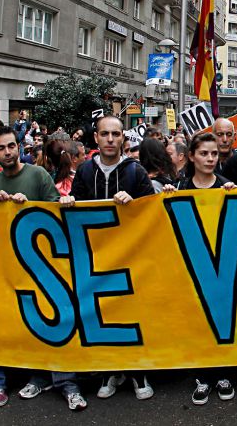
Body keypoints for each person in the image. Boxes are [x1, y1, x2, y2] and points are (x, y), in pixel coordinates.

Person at [0, 127, 83, 410]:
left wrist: (34, 206)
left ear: (18, 147)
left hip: (45, 266)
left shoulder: (38, 175)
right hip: (12, 269)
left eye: (11, 146)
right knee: (30, 325)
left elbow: (54, 213)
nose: (7, 152)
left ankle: (67, 383)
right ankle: (38, 377)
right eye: (1, 148)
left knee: (56, 324)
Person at [60, 116, 154, 404]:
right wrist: (68, 202)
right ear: (96, 138)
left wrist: (134, 203)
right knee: (102, 315)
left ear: (123, 138)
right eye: (105, 134)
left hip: (129, 256)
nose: (110, 139)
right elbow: (76, 203)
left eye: (115, 134)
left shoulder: (136, 171)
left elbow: (153, 211)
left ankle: (137, 372)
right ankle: (109, 371)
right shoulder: (85, 170)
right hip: (95, 256)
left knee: (130, 315)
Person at [159, 132, 237, 405]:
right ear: (191, 156)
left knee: (222, 320)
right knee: (198, 322)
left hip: (221, 265)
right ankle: (203, 377)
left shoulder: (227, 186)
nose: (210, 158)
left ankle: (223, 374)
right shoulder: (179, 188)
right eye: (204, 153)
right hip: (191, 265)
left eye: (214, 154)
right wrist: (166, 199)